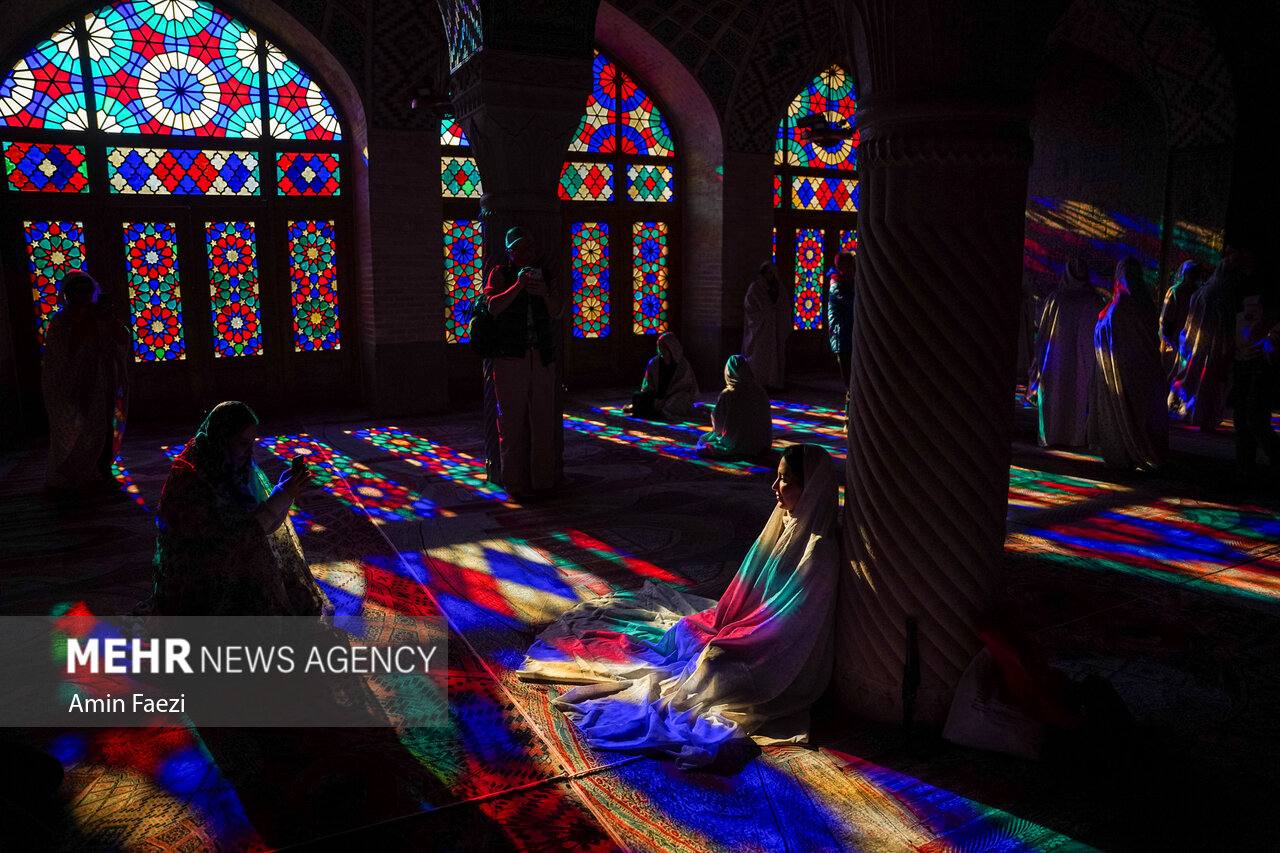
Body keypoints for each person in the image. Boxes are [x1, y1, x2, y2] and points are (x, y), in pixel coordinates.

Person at [518, 444, 839, 769]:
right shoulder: (784, 525)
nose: (774, 488)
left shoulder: (818, 552)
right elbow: (745, 595)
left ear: (809, 488)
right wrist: (730, 627)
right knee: (685, 630)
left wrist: (737, 642)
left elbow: (793, 626)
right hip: (747, 628)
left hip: (773, 651)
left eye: (785, 480)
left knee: (713, 663)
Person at [151, 401, 328, 617]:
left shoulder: (230, 464)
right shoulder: (192, 477)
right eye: (243, 443)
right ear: (222, 439)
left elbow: (260, 527)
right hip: (201, 578)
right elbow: (241, 535)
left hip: (229, 559)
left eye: (251, 442)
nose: (249, 451)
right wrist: (283, 495)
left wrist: (284, 491)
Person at [484, 226, 563, 498]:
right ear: (509, 253)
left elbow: (557, 311)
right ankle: (514, 485)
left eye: (528, 248)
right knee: (511, 423)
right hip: (509, 358)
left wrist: (543, 293)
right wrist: (517, 287)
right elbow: (493, 306)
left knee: (543, 422)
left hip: (541, 357)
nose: (524, 254)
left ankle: (544, 483)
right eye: (518, 249)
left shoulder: (545, 274)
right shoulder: (500, 274)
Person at [42, 271, 130, 490]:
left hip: (102, 380)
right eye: (80, 291)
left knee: (104, 425)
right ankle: (77, 470)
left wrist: (108, 319)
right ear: (69, 294)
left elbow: (122, 338)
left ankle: (102, 470)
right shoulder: (61, 321)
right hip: (74, 383)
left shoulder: (98, 315)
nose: (85, 296)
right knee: (82, 428)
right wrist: (85, 322)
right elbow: (64, 353)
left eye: (88, 291)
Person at [1090, 258, 1168, 471]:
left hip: (1122, 371)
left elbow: (1105, 337)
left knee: (1123, 411)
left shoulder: (1118, 308)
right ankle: (1143, 450)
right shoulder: (1145, 303)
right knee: (1140, 414)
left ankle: (1124, 451)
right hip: (1145, 371)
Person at [1030, 258, 1105, 447]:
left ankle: (1051, 438)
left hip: (1054, 363)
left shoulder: (1055, 300)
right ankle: (1073, 439)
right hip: (1081, 363)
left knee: (1054, 399)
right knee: (1076, 399)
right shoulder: (1094, 302)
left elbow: (1042, 333)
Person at [1169, 251, 1249, 430]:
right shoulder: (1216, 294)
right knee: (1204, 384)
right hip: (1208, 347)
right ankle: (1200, 417)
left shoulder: (1206, 291)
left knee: (1202, 384)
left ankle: (1199, 416)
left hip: (1201, 346)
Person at [1229, 277, 1280, 487]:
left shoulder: (1267, 312)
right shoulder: (1244, 309)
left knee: (1254, 418)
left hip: (1260, 363)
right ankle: (1245, 469)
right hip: (1243, 362)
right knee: (1242, 418)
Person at [696, 354, 772, 459]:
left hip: (736, 444)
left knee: (703, 444)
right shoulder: (760, 391)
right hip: (760, 444)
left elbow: (718, 425)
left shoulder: (728, 394)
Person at [742, 261, 792, 391]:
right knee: (760, 358)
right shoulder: (755, 288)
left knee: (775, 358)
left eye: (772, 273)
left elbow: (784, 307)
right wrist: (766, 313)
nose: (770, 276)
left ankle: (774, 383)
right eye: (767, 273)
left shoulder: (779, 289)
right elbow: (750, 309)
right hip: (761, 332)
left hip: (775, 331)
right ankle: (759, 383)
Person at [628, 332, 699, 421]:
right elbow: (648, 385)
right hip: (656, 395)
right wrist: (656, 398)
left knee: (675, 402)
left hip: (675, 395)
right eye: (660, 347)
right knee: (639, 398)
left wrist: (666, 397)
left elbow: (685, 385)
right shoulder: (653, 363)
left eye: (664, 347)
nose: (661, 350)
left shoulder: (682, 364)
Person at [1159, 260, 1207, 376]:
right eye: (1191, 273)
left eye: (1196, 273)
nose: (1194, 276)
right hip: (1174, 343)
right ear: (1185, 273)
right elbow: (1167, 319)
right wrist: (1171, 340)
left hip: (1191, 342)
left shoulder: (1199, 294)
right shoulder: (1175, 292)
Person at [824, 251, 856, 395]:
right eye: (851, 266)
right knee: (850, 382)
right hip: (842, 336)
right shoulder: (837, 286)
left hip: (849, 335)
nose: (853, 270)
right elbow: (853, 303)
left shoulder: (848, 283)